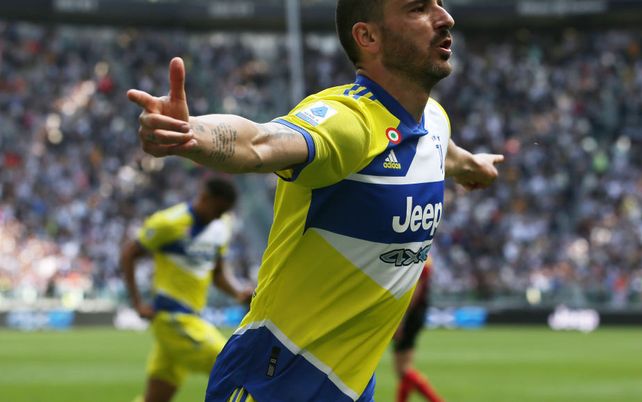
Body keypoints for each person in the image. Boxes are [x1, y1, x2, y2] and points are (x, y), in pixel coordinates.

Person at [127, 0, 504, 400]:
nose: (445, 18)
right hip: (276, 376)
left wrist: (473, 166)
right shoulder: (349, 121)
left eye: (440, 5)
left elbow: (445, 152)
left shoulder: (434, 121)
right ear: (368, 37)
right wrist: (191, 133)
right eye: (417, 9)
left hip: (349, 384)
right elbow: (260, 142)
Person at [120, 177, 253, 402]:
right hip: (173, 319)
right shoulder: (168, 223)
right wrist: (137, 303)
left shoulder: (221, 228)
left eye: (225, 212)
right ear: (205, 198)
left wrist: (238, 292)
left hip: (190, 320)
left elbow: (217, 274)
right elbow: (129, 253)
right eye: (219, 209)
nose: (220, 216)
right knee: (231, 365)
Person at [392, 256, 443, 402]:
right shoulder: (427, 258)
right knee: (404, 369)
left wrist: (402, 318)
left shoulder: (420, 258)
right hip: (417, 313)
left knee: (403, 369)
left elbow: (416, 291)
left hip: (411, 315)